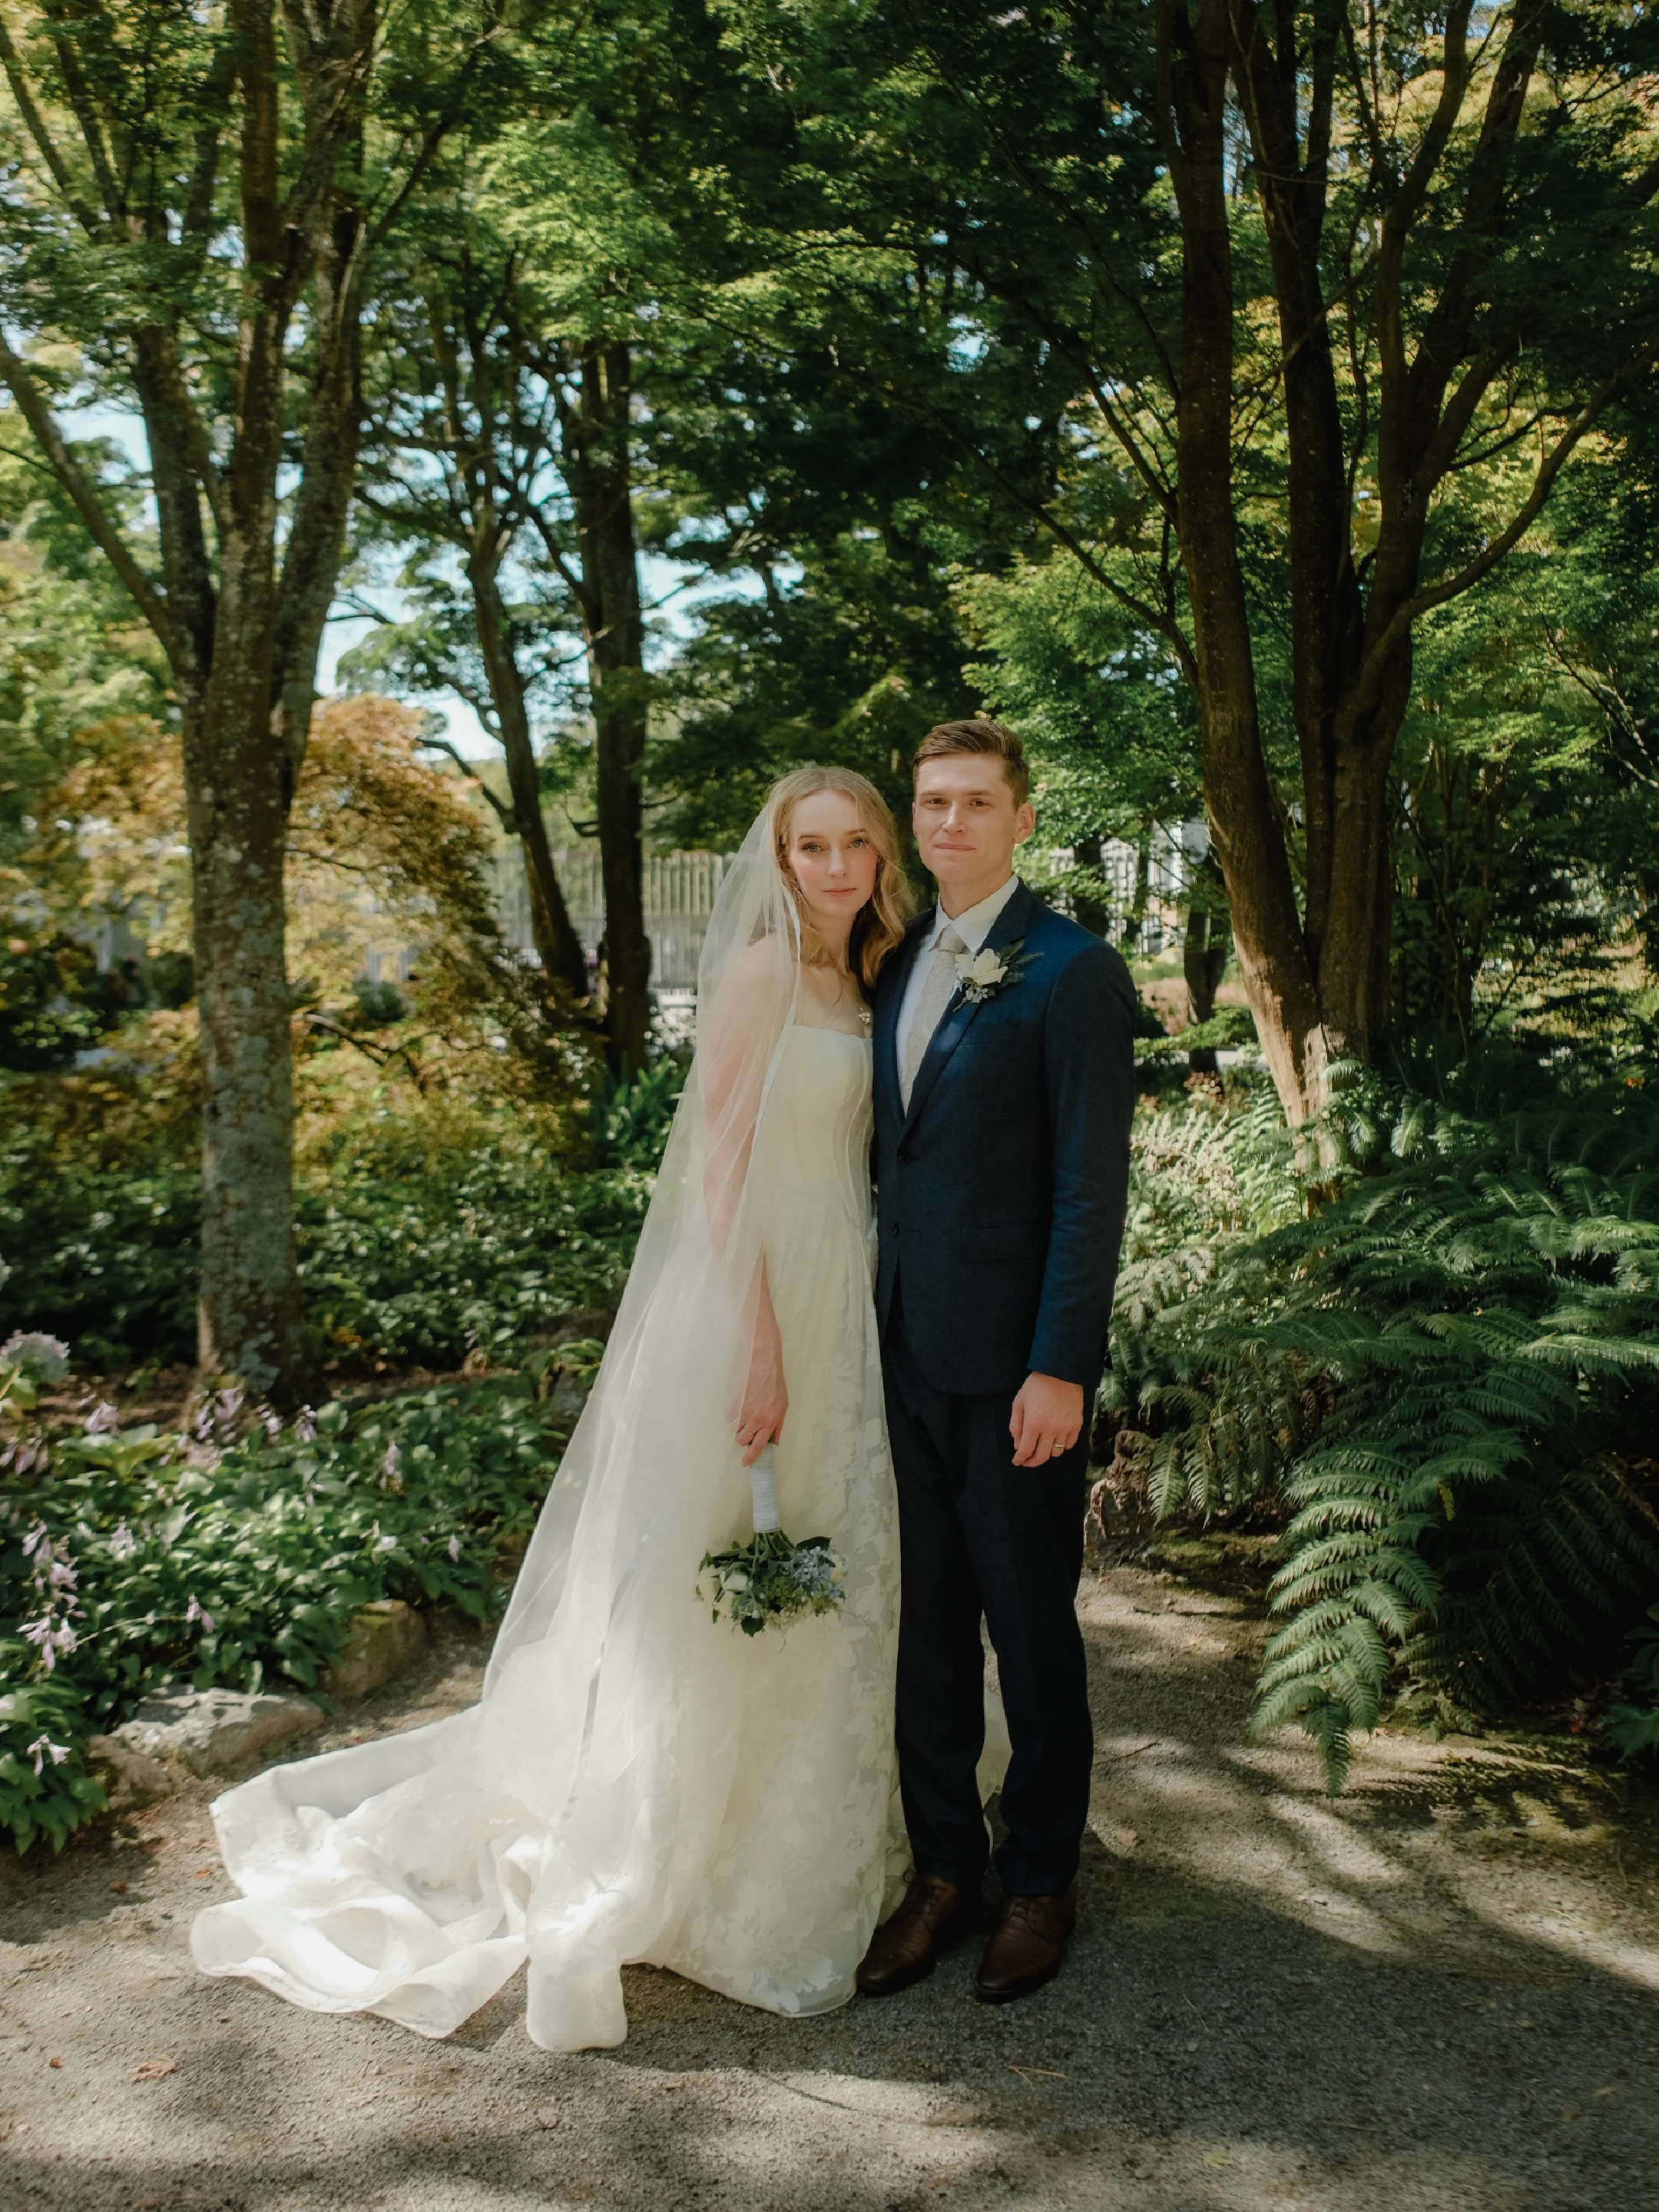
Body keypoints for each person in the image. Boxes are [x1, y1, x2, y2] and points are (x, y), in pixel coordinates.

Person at [192, 767, 913, 2052]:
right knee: (716, 1564)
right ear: (782, 858)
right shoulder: (758, 973)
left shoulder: (875, 976)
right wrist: (758, 1342)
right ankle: (687, 1845)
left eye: (859, 841)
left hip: (843, 1287)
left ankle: (813, 1826)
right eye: (813, 845)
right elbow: (721, 1165)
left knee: (828, 1547)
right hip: (760, 1294)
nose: (838, 865)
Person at [859, 718, 1137, 2006]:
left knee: (1030, 1629)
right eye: (931, 805)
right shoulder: (895, 959)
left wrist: (1061, 1366)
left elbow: (1090, 1190)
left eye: (975, 804)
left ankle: (1040, 1878)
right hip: (899, 1348)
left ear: (1022, 817)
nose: (950, 826)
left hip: (1016, 1364)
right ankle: (942, 1873)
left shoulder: (1070, 970)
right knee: (925, 1633)